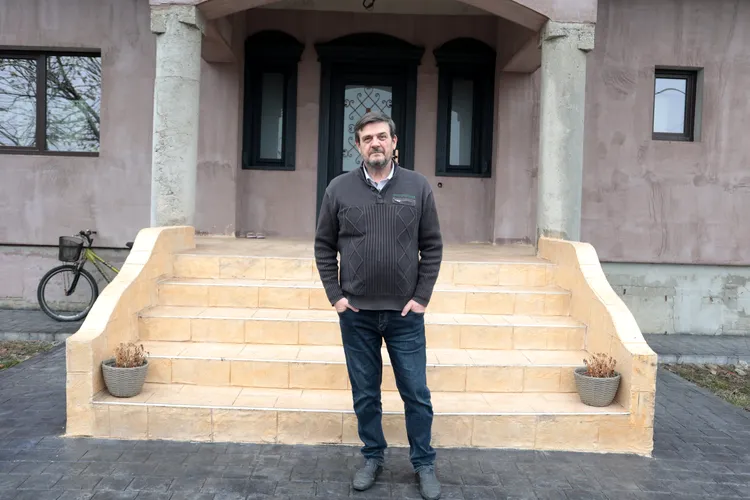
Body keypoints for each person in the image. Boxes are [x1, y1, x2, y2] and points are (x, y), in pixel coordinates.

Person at [314, 111, 443, 500]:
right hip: (357, 315)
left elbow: (432, 246)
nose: (375, 143)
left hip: (405, 316)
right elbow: (324, 246)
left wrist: (421, 298)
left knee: (416, 392)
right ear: (358, 146)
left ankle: (424, 463)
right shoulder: (338, 189)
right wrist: (336, 296)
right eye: (367, 138)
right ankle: (372, 457)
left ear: (394, 142)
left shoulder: (417, 187)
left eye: (382, 137)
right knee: (366, 393)